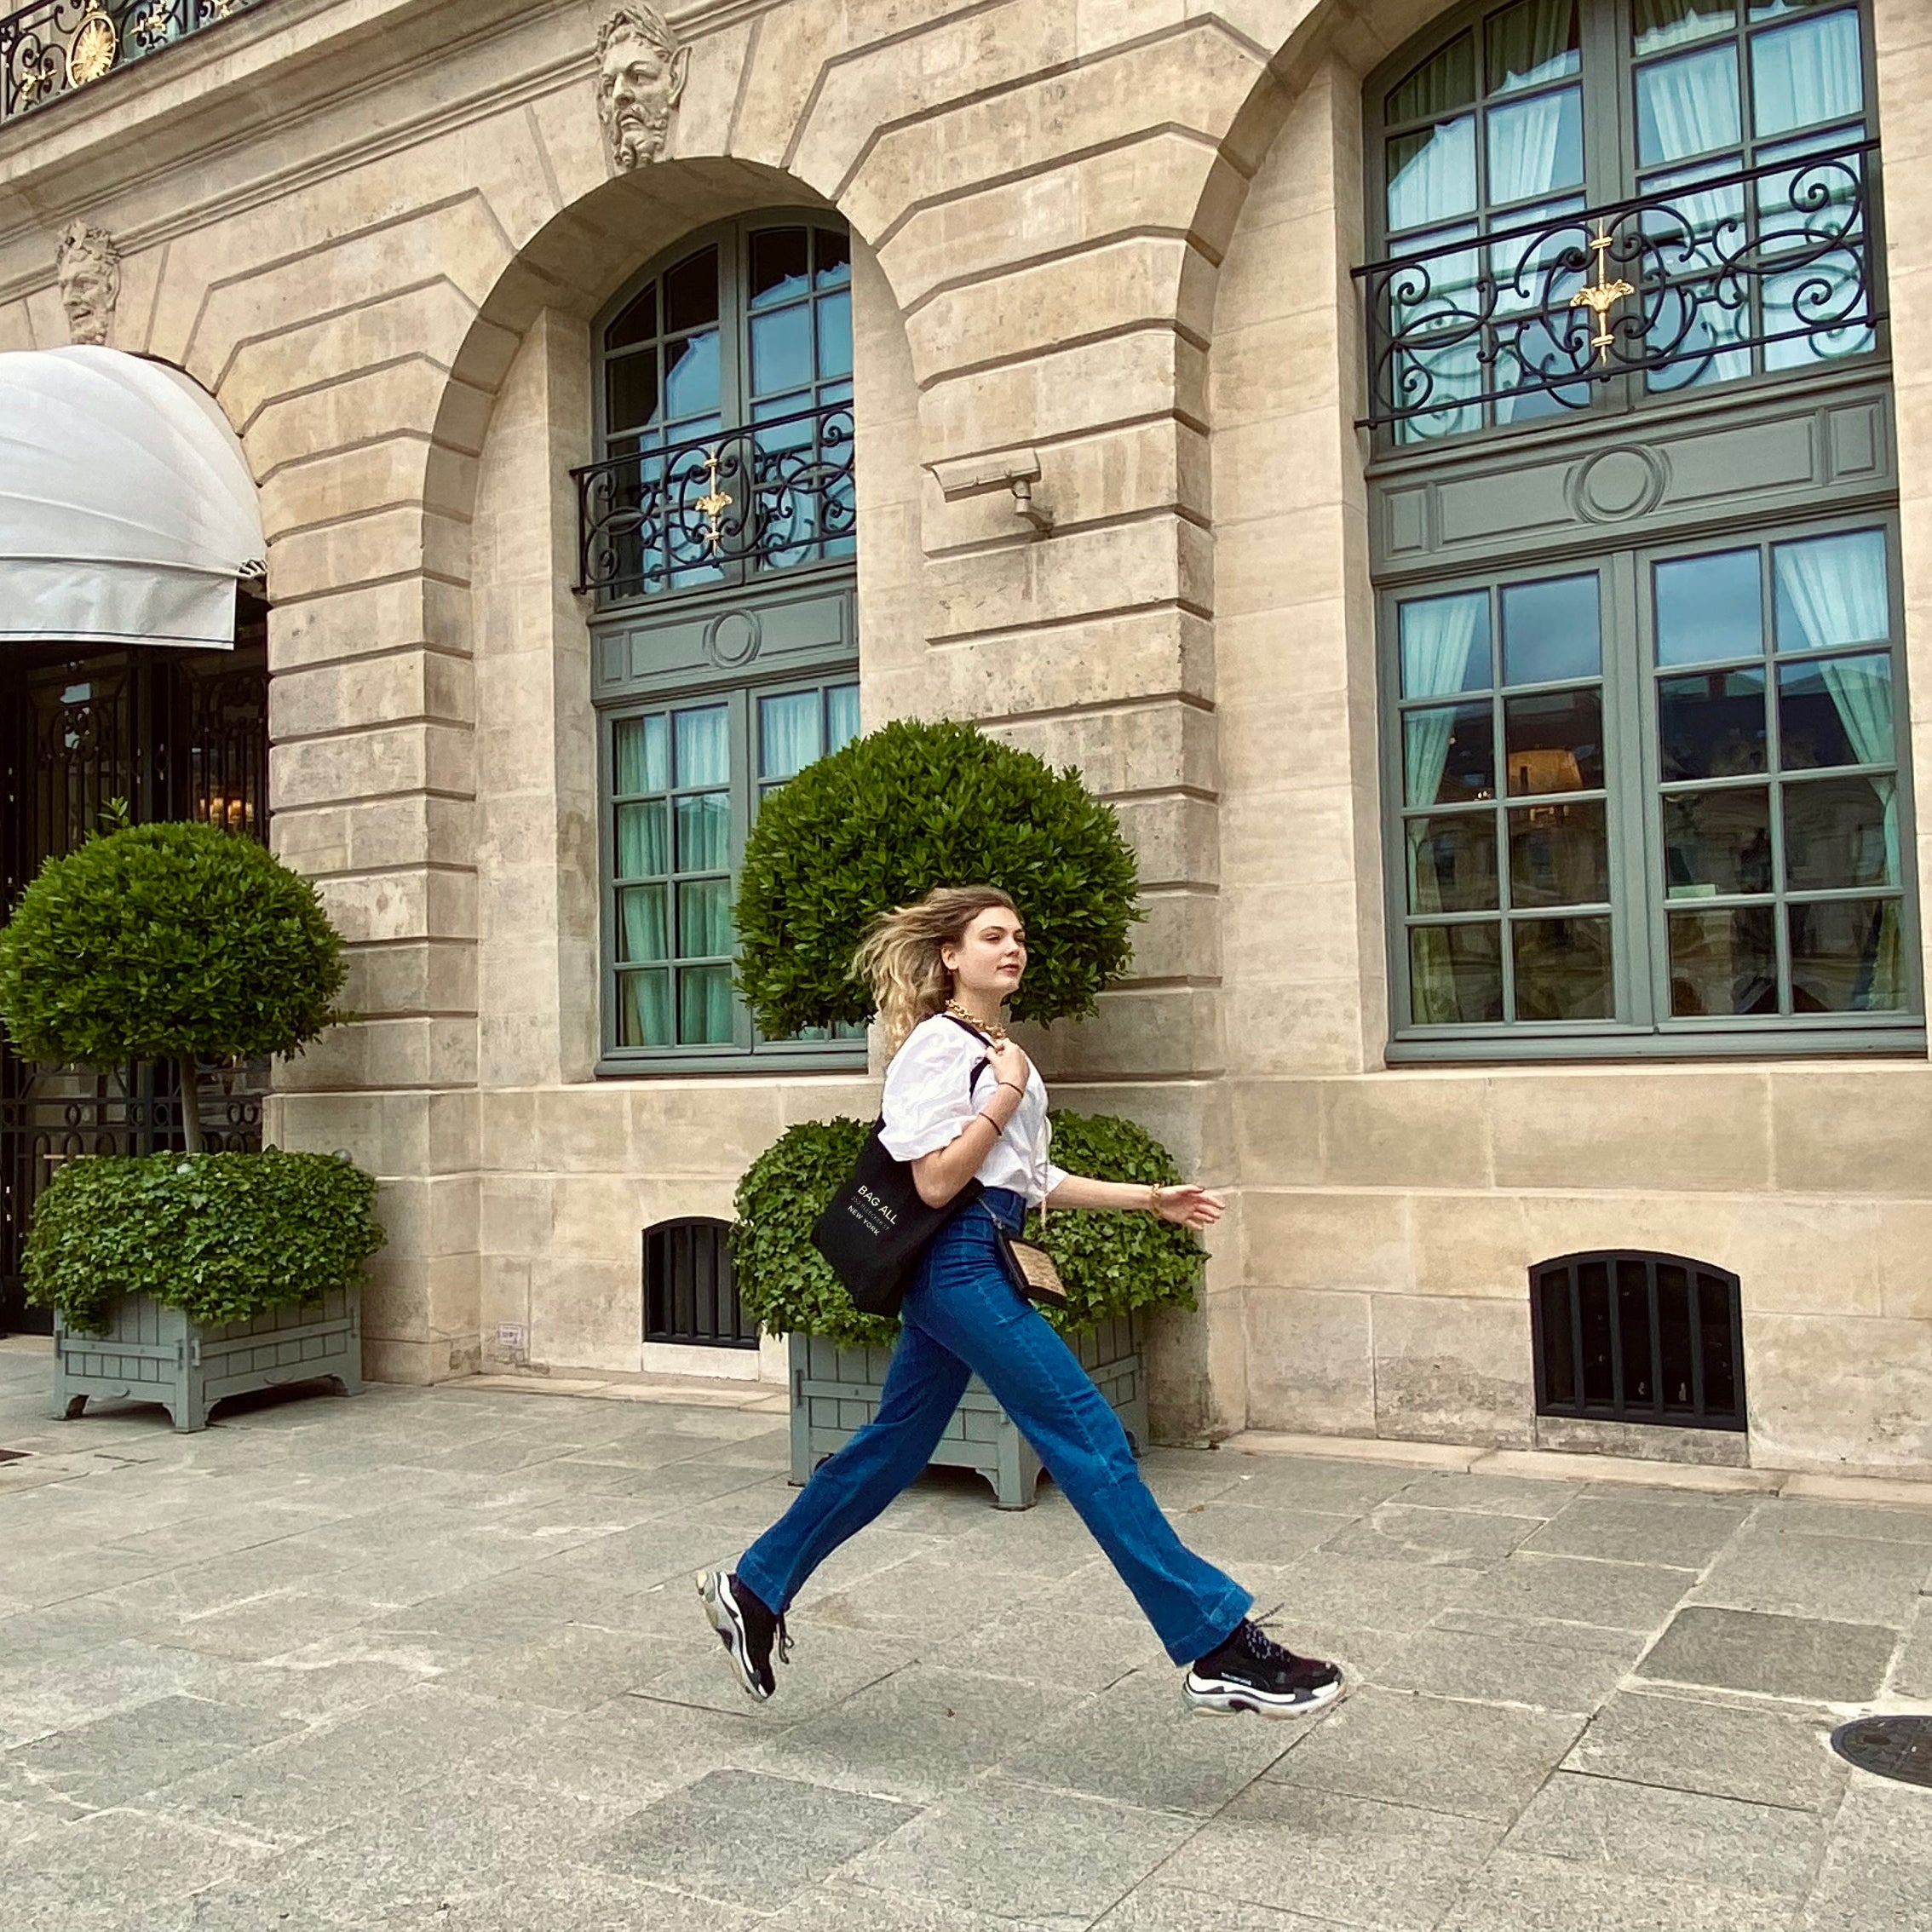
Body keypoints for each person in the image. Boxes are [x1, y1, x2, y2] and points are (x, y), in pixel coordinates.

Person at [698, 885, 1343, 1719]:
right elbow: (934, 1179)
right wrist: (1001, 1094)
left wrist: (1150, 1199)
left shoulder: (1003, 1050)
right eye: (992, 936)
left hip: (979, 1253)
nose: (1013, 948)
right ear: (951, 958)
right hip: (956, 1262)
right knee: (1088, 1433)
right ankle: (1216, 1644)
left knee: (894, 1446)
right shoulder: (938, 1046)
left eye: (1020, 936)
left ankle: (755, 1587)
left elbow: (1031, 1180)